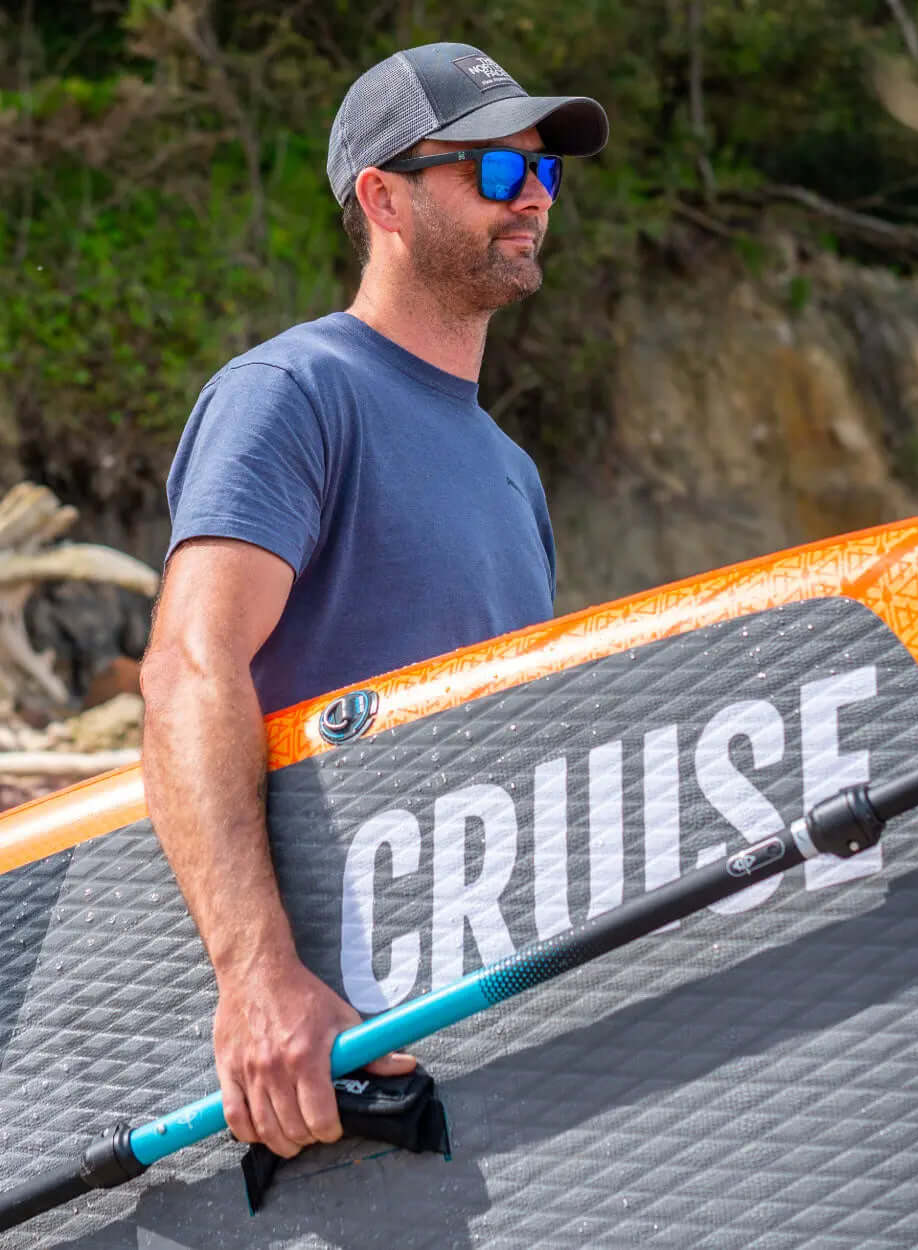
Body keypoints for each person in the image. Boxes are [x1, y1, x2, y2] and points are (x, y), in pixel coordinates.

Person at [140, 42, 608, 1162]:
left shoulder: (511, 471)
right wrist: (256, 973)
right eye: (495, 170)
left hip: (479, 1017)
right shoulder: (292, 395)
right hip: (320, 1043)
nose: (533, 192)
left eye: (544, 170)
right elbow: (188, 667)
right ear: (382, 196)